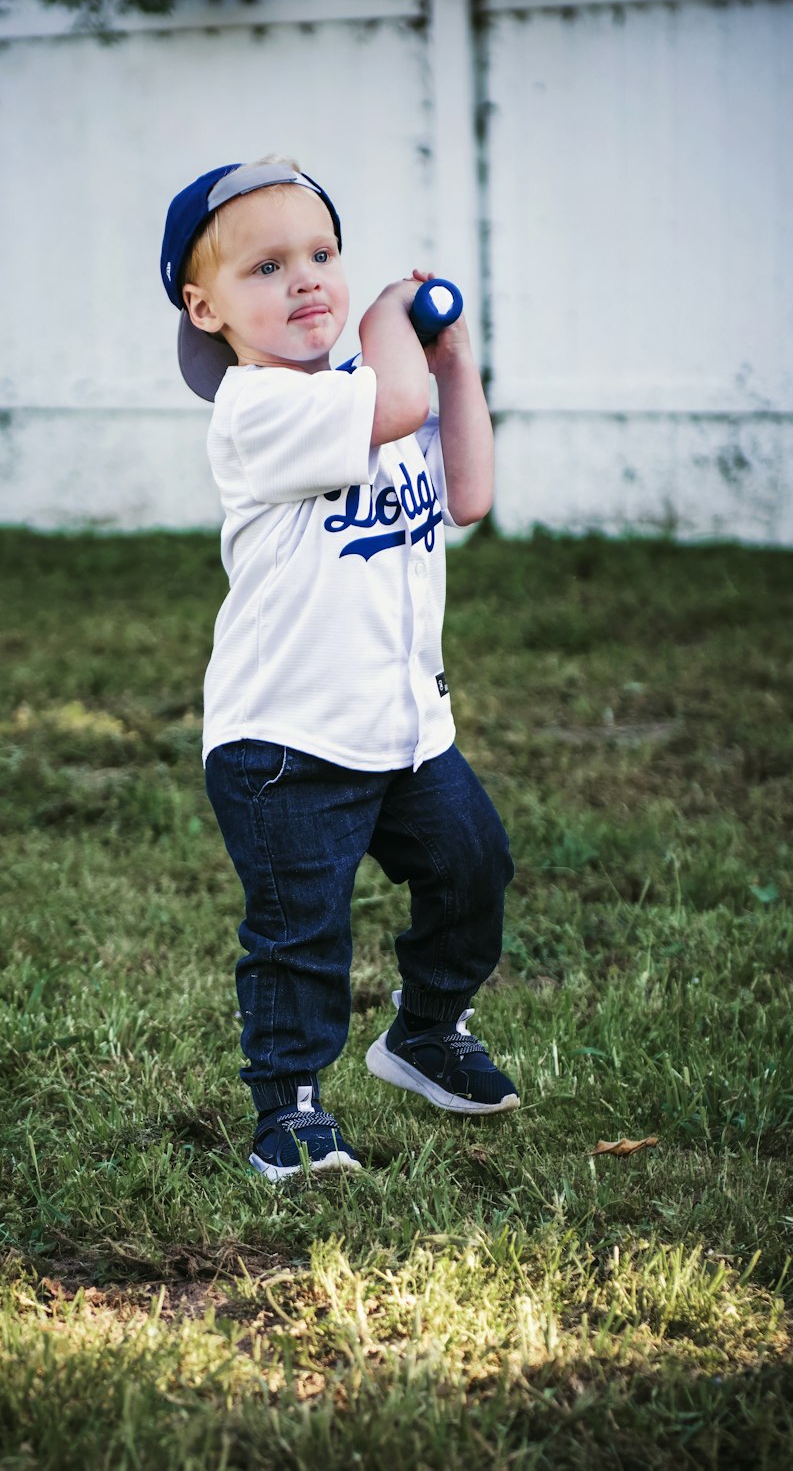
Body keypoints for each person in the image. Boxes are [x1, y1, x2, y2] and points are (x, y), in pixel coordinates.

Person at [160, 158, 519, 1181]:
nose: (307, 278)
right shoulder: (257, 408)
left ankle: (425, 1034)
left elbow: (472, 494)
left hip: (405, 726)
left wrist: (453, 365)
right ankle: (290, 1111)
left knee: (471, 871)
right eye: (267, 267)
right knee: (298, 932)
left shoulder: (380, 394)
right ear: (207, 307)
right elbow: (391, 400)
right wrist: (390, 328)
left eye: (321, 254)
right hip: (286, 741)